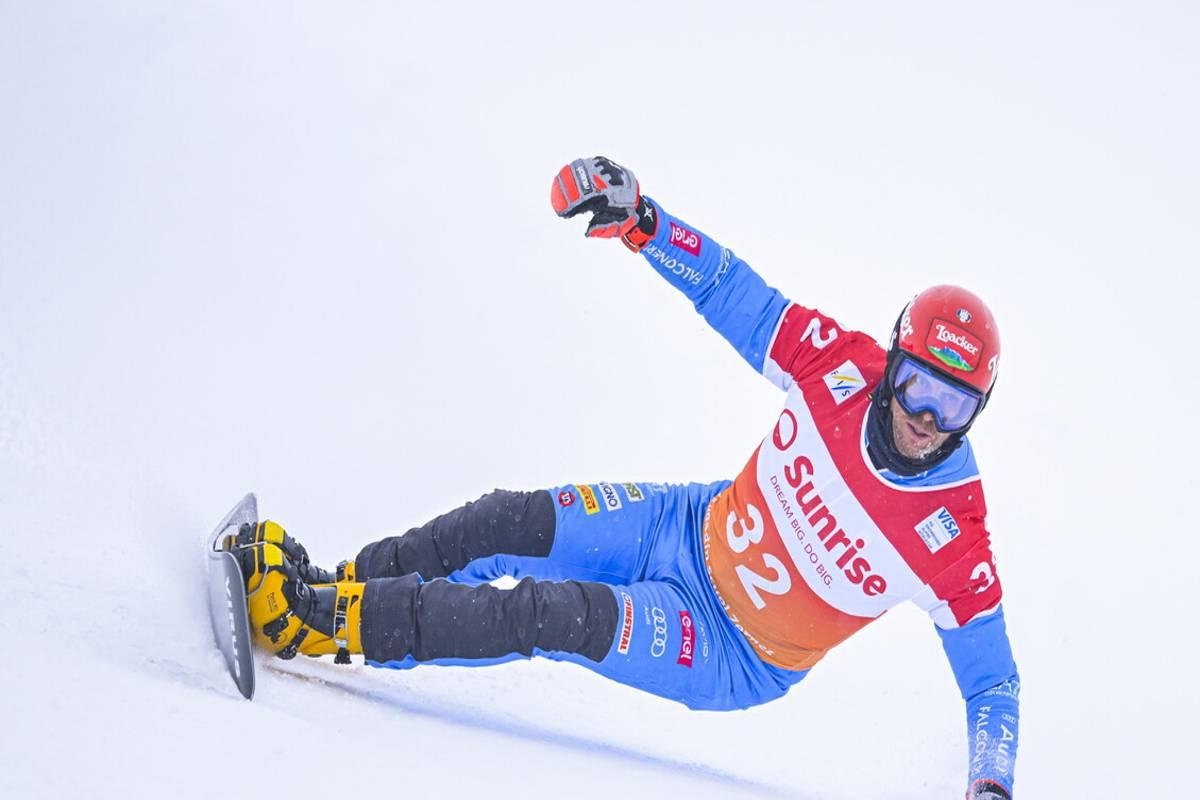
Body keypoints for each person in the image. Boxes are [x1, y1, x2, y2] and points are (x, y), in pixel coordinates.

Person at [238, 157, 1020, 799]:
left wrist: (991, 785)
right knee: (509, 520)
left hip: (728, 645)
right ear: (893, 362)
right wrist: (644, 221)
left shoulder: (953, 537)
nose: (927, 418)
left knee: (554, 614)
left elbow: (993, 688)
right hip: (682, 525)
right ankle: (336, 588)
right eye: (918, 385)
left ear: (977, 411)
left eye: (955, 407)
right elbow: (731, 292)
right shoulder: (838, 365)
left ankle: (321, 626)